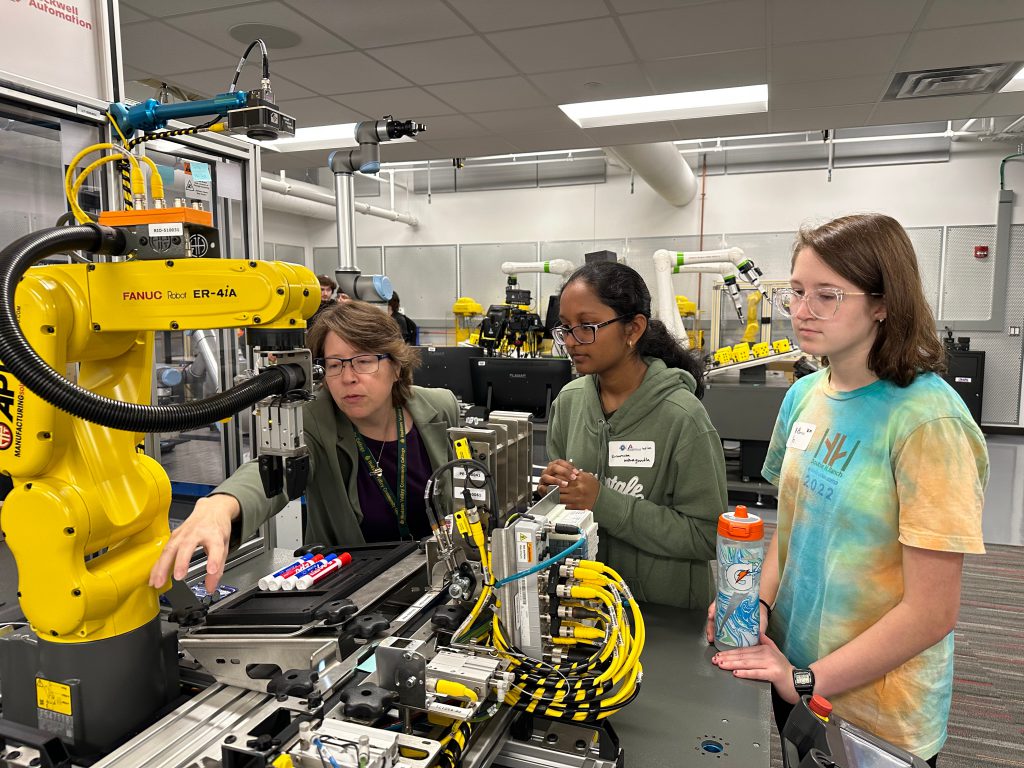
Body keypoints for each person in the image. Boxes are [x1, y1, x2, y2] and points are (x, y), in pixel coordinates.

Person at [707, 214, 987, 766]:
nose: (802, 311)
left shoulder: (929, 422)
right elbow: (787, 531)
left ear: (884, 303)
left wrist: (808, 679)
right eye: (797, 291)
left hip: (877, 715)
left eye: (827, 295)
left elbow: (932, 612)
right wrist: (754, 606)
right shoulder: (805, 395)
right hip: (795, 675)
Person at [149, 300, 459, 593]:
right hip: (355, 592)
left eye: (364, 361)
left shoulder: (439, 408)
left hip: (440, 579)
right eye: (335, 365)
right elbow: (275, 470)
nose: (348, 378)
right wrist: (220, 505)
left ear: (396, 366)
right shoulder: (314, 420)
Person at [539, 261, 727, 608]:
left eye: (587, 326)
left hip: (663, 612)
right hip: (584, 605)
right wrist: (551, 494)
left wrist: (605, 503)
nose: (571, 341)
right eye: (565, 328)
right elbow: (563, 509)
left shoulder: (683, 417)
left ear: (633, 328)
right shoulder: (569, 403)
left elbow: (707, 536)